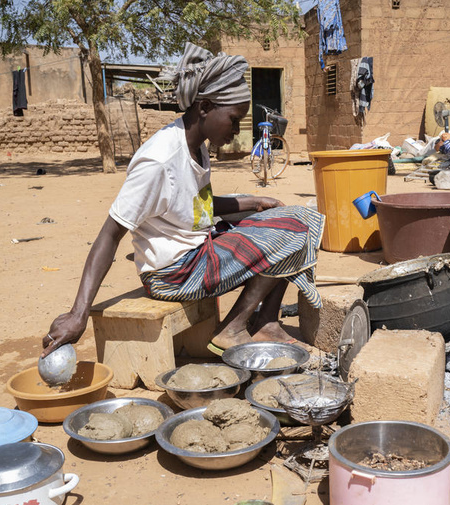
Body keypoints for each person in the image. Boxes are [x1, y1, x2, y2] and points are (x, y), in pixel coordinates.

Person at [41, 43, 324, 359]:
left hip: (197, 251)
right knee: (293, 229)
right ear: (204, 107)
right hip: (173, 273)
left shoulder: (196, 145)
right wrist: (79, 313)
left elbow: (196, 205)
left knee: (295, 216)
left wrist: (253, 202)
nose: (236, 130)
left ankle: (266, 322)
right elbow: (109, 235)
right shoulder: (158, 160)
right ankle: (232, 328)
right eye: (233, 119)